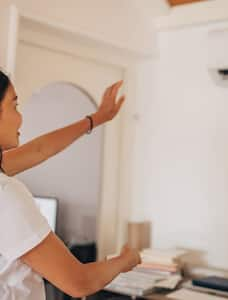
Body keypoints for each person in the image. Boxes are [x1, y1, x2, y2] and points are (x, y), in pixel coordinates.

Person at [0, 70, 141, 299]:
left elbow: (39, 150)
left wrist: (96, 119)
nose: (20, 117)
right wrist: (126, 260)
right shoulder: (7, 194)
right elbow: (79, 282)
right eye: (14, 106)